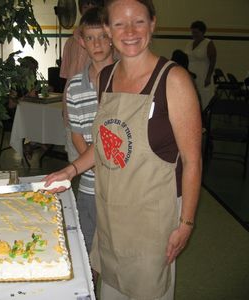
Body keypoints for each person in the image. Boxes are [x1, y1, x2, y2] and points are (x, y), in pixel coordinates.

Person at [44, 1, 202, 299]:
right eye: (119, 24)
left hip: (152, 217)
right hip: (110, 209)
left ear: (152, 24)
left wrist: (186, 224)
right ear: (108, 28)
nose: (129, 32)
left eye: (138, 22)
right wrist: (72, 168)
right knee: (112, 288)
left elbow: (193, 161)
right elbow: (105, 144)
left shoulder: (174, 80)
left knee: (147, 291)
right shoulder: (107, 77)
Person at [66, 6, 114, 253]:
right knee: (87, 245)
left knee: (116, 249)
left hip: (121, 183)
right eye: (90, 37)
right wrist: (93, 163)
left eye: (103, 36)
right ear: (81, 41)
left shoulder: (126, 81)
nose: (97, 44)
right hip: (90, 182)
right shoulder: (75, 86)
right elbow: (76, 132)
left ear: (113, 38)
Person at [60, 0, 104, 162]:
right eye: (86, 5)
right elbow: (65, 76)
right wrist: (65, 108)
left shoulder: (106, 43)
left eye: (94, 4)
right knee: (76, 158)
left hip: (98, 109)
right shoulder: (70, 43)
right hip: (75, 106)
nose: (89, 8)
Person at [185, 20, 217, 110]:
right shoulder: (189, 43)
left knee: (204, 98)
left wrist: (208, 77)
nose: (193, 34)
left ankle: (204, 119)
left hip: (204, 75)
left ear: (202, 32)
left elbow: (213, 61)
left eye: (196, 32)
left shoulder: (208, 43)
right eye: (192, 32)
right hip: (191, 75)